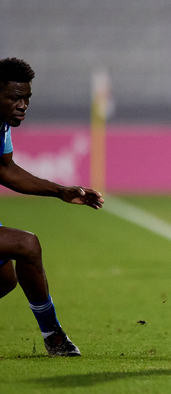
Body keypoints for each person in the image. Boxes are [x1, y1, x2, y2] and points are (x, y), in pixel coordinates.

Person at [0, 58, 104, 357]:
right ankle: (53, 335)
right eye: (15, 98)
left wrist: (60, 191)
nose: (23, 105)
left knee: (4, 279)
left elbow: (5, 169)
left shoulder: (2, 124)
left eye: (27, 98)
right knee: (26, 245)